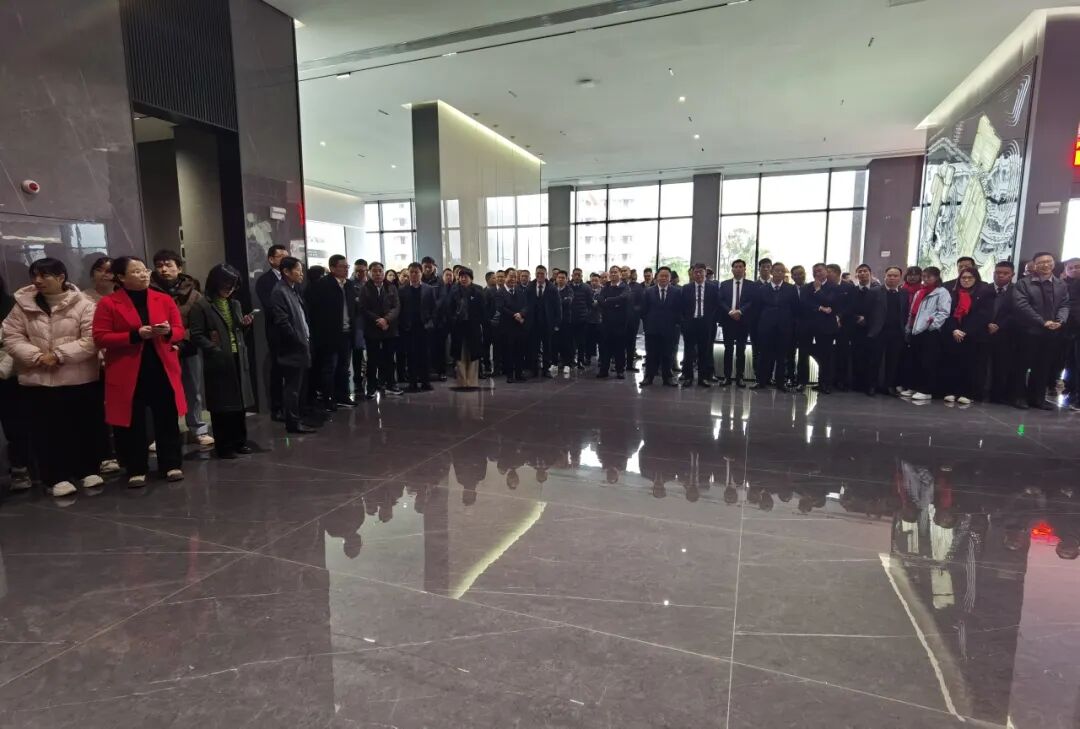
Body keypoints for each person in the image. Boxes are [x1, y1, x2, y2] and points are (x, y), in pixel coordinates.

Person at [3, 259, 103, 497]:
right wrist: (37, 356)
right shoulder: (22, 305)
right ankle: (55, 477)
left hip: (78, 377)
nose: (37, 281)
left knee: (82, 426)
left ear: (61, 277)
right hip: (38, 379)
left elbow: (92, 339)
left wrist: (59, 355)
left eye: (44, 276)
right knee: (46, 431)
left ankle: (87, 469)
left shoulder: (84, 304)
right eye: (34, 276)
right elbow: (11, 336)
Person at [93, 256, 187, 485]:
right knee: (131, 421)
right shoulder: (108, 303)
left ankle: (171, 464)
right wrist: (135, 335)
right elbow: (100, 337)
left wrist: (167, 332)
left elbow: (179, 330)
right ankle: (136, 467)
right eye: (136, 272)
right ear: (121, 277)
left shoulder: (163, 299)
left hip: (161, 367)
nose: (144, 274)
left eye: (144, 270)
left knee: (166, 418)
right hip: (127, 370)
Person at [188, 264, 256, 458]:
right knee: (221, 406)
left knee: (239, 405)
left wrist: (245, 325)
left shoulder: (235, 304)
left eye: (234, 285)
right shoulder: (202, 305)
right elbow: (196, 335)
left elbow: (236, 331)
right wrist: (214, 350)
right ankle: (224, 446)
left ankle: (240, 441)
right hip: (218, 361)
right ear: (215, 282)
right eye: (227, 284)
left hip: (237, 358)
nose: (230, 289)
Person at [152, 250, 212, 448]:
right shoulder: (148, 292)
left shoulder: (194, 293)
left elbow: (200, 324)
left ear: (179, 268)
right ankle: (164, 432)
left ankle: (198, 429)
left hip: (188, 347)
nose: (163, 269)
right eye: (159, 265)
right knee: (162, 392)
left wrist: (180, 340)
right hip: (159, 347)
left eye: (168, 265)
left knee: (193, 389)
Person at [1013, 251, 1070, 410]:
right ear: (1035, 265)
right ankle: (1019, 397)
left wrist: (1060, 321)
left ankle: (1037, 398)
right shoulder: (1024, 283)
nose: (1045, 265)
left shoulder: (1060, 284)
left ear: (1054, 263)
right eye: (1041, 262)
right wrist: (1042, 321)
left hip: (1051, 332)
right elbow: (1022, 305)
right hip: (1028, 331)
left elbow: (1065, 304)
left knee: (1043, 366)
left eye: (1048, 261)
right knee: (1022, 365)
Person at [306, 254, 360, 411]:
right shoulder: (322, 285)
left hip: (347, 332)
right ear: (332, 268)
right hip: (329, 334)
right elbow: (315, 312)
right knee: (329, 368)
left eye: (347, 266)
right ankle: (328, 399)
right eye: (343, 266)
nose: (346, 269)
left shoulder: (349, 285)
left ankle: (343, 396)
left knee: (344, 367)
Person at [268, 257, 316, 433]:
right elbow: (283, 322)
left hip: (301, 343)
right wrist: (297, 340)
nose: (301, 273)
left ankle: (296, 419)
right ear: (286, 272)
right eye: (298, 270)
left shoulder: (293, 289)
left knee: (297, 386)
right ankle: (293, 423)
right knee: (292, 387)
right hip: (292, 347)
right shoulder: (279, 291)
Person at [941, 268, 993, 405]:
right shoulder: (953, 294)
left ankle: (967, 393)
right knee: (953, 364)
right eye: (963, 278)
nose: (966, 280)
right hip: (954, 334)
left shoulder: (984, 294)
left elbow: (983, 316)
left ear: (976, 279)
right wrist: (954, 329)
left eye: (970, 278)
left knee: (971, 365)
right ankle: (952, 391)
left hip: (973, 336)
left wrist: (965, 331)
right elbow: (948, 313)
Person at [0, 274, 31, 493]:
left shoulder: (11, 305)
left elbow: (17, 340)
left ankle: (21, 468)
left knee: (15, 424)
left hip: (7, 375)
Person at [903, 266, 952, 402]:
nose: (925, 279)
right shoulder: (920, 292)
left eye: (929, 277)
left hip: (930, 332)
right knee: (915, 360)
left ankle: (926, 390)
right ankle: (913, 387)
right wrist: (909, 327)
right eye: (924, 276)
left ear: (936, 277)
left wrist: (932, 325)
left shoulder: (942, 292)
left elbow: (944, 312)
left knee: (928, 361)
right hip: (915, 330)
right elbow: (912, 312)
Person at [751, 262, 799, 391]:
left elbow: (795, 310)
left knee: (782, 357)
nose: (779, 273)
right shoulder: (762, 289)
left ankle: (780, 383)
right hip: (766, 327)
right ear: (771, 272)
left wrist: (792, 327)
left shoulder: (791, 289)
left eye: (782, 271)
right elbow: (757, 310)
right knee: (763, 355)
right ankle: (761, 381)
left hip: (784, 328)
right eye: (777, 270)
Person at [255, 244, 290, 420]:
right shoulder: (264, 281)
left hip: (294, 331)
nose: (285, 259)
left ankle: (293, 406)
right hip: (276, 330)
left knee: (293, 370)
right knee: (277, 369)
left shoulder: (291, 278)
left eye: (287, 256)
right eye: (281, 256)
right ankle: (277, 408)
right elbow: (270, 307)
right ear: (271, 259)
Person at [359, 262, 403, 398]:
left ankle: (391, 385)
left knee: (389, 358)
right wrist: (378, 320)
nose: (377, 273)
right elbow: (364, 308)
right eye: (374, 271)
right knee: (372, 360)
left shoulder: (391, 287)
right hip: (372, 328)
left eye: (380, 271)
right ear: (369, 273)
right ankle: (371, 387)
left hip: (389, 328)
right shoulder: (365, 288)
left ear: (383, 272)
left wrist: (386, 320)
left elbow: (396, 307)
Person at [639, 267, 681, 387]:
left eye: (666, 276)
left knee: (668, 354)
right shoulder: (648, 291)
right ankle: (648, 377)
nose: (663, 278)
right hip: (652, 329)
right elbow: (643, 310)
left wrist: (675, 324)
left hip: (669, 329)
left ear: (670, 278)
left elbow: (679, 310)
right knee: (651, 354)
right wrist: (648, 324)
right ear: (656, 277)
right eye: (661, 276)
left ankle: (668, 377)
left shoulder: (676, 292)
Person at [802, 263, 840, 394]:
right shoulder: (807, 287)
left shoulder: (834, 287)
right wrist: (820, 308)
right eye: (815, 271)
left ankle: (826, 383)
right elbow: (805, 303)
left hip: (826, 327)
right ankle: (804, 381)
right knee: (806, 353)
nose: (817, 273)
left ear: (826, 272)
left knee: (826, 356)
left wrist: (818, 291)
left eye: (820, 271)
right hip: (809, 325)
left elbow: (831, 302)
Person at [680, 263, 721, 387]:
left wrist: (712, 320)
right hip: (690, 323)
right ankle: (688, 377)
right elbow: (681, 307)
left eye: (701, 272)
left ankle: (703, 378)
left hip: (706, 323)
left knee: (705, 351)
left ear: (705, 273)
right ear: (692, 274)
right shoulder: (686, 288)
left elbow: (717, 305)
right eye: (696, 272)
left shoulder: (713, 288)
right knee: (689, 351)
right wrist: (684, 322)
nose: (698, 274)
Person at [446, 267, 487, 387]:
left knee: (473, 356)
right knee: (460, 355)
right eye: (461, 277)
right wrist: (454, 319)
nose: (463, 279)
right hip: (458, 328)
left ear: (471, 278)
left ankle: (472, 382)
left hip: (473, 328)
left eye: (466, 277)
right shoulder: (454, 291)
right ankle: (462, 382)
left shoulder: (478, 291)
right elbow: (449, 309)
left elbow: (483, 310)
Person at [398, 262, 435, 392]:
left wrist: (430, 322)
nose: (414, 274)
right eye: (411, 272)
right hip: (408, 328)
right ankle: (412, 383)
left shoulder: (429, 289)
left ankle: (425, 382)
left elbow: (434, 308)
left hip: (424, 327)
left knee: (425, 355)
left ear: (421, 273)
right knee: (411, 356)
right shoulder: (402, 290)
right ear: (408, 273)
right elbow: (400, 309)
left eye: (416, 272)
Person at [849, 264, 884, 396]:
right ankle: (858, 384)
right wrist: (857, 318)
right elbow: (848, 308)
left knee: (873, 358)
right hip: (856, 328)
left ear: (870, 273)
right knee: (858, 357)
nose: (862, 273)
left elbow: (879, 310)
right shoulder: (852, 290)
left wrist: (867, 319)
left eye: (865, 271)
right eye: (860, 271)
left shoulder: (877, 290)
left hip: (873, 329)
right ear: (856, 275)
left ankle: (871, 385)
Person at [878, 267, 910, 396]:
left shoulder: (904, 293)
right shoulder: (876, 291)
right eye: (889, 275)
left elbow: (906, 312)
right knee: (875, 359)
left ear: (900, 278)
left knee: (893, 361)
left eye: (895, 276)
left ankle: (889, 386)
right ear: (885, 276)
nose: (892, 278)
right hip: (879, 331)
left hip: (897, 332)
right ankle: (872, 385)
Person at [718, 260, 751, 387]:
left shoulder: (750, 285)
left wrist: (740, 311)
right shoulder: (724, 284)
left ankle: (739, 377)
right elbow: (720, 300)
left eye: (740, 267)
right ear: (732, 269)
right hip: (728, 321)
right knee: (728, 349)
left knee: (741, 350)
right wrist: (730, 311)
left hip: (743, 321)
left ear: (744, 269)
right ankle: (727, 377)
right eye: (735, 267)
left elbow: (751, 301)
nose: (738, 269)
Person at [525, 265, 560, 378]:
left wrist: (557, 323)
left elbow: (557, 306)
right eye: (538, 273)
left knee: (547, 347)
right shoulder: (530, 287)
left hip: (547, 322)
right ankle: (534, 369)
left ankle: (546, 369)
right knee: (533, 347)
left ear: (546, 275)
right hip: (533, 322)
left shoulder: (552, 288)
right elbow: (525, 304)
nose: (540, 276)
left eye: (542, 274)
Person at [496, 269, 529, 383]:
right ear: (505, 277)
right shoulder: (500, 292)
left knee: (520, 351)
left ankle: (519, 373)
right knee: (508, 352)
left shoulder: (520, 291)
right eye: (511, 276)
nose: (513, 279)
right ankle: (509, 375)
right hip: (507, 326)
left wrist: (521, 314)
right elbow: (501, 308)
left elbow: (526, 305)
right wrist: (515, 315)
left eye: (515, 277)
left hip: (519, 326)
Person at [597, 265, 630, 379]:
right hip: (606, 323)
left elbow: (623, 298)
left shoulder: (625, 287)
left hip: (620, 323)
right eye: (611, 272)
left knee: (619, 348)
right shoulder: (605, 287)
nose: (613, 274)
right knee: (605, 347)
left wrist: (608, 301)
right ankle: (604, 370)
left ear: (620, 274)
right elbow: (600, 300)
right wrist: (614, 304)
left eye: (616, 272)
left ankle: (620, 370)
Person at [786, 264, 810, 391]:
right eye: (795, 274)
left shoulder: (811, 288)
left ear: (805, 274)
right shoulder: (788, 289)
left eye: (801, 273)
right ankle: (790, 378)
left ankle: (802, 381)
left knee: (804, 355)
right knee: (789, 354)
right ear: (792, 277)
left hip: (806, 326)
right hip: (790, 326)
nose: (799, 276)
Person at [351, 259, 368, 395]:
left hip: (370, 321)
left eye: (362, 271)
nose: (359, 273)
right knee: (357, 352)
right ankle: (357, 379)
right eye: (357, 271)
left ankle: (371, 378)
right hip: (357, 322)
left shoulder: (370, 283)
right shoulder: (350, 284)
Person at [568, 268, 591, 369]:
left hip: (582, 319)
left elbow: (589, 303)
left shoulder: (586, 287)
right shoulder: (568, 286)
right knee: (570, 341)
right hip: (570, 319)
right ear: (572, 276)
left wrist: (586, 314)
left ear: (581, 276)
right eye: (575, 275)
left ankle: (581, 360)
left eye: (579, 275)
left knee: (581, 342)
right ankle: (571, 360)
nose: (577, 277)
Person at [553, 271, 575, 373]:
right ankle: (554, 363)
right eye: (559, 277)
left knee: (566, 343)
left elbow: (568, 302)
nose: (561, 279)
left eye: (563, 278)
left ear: (567, 279)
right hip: (554, 320)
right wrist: (561, 301)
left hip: (566, 320)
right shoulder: (553, 289)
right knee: (554, 343)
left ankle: (567, 364)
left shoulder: (569, 290)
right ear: (556, 278)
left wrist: (556, 303)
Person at [623, 266, 644, 372]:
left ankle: (630, 365)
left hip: (632, 320)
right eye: (622, 271)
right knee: (620, 343)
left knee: (631, 342)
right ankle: (619, 365)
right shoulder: (618, 285)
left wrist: (634, 311)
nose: (623, 273)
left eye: (625, 271)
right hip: (619, 320)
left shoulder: (637, 286)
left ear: (629, 273)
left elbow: (641, 303)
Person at [584, 272, 603, 367]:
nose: (594, 282)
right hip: (589, 319)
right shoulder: (587, 291)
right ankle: (587, 358)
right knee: (588, 340)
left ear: (600, 281)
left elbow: (602, 303)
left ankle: (601, 359)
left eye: (596, 280)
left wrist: (596, 303)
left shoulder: (603, 291)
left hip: (600, 320)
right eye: (592, 281)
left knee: (601, 341)